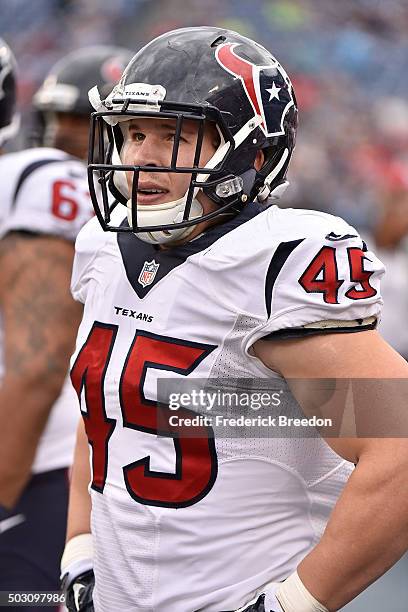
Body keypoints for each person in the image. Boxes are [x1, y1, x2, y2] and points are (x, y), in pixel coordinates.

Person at [61, 27, 408, 612]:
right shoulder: (103, 246)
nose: (141, 156)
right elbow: (104, 408)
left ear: (254, 152)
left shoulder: (274, 260)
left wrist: (294, 603)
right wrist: (79, 552)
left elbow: (398, 442)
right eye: (134, 133)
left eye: (172, 135)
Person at [0, 43, 133, 608]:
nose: (66, 137)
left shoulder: (41, 179)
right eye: (59, 120)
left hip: (36, 467)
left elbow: (38, 366)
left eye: (86, 124)